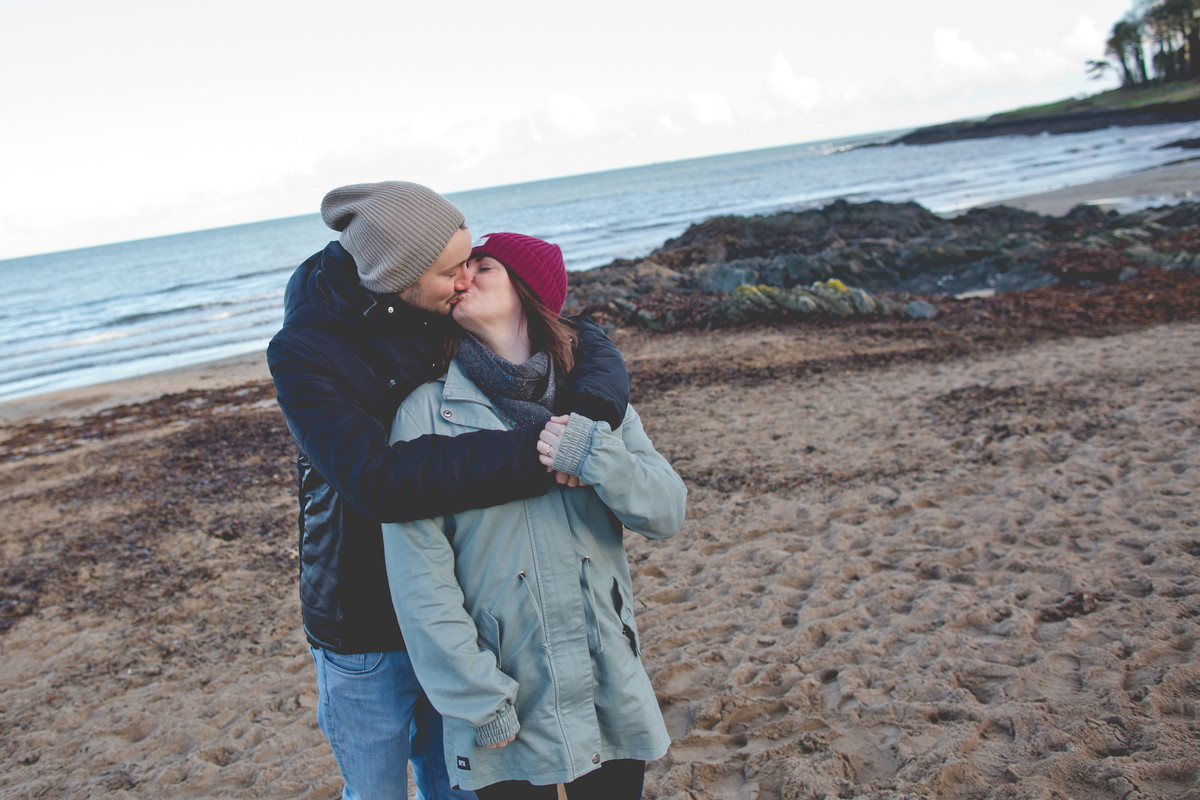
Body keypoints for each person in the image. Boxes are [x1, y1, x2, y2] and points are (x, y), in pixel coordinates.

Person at [266, 183, 630, 800]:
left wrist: (589, 413)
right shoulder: (304, 351)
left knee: (459, 789)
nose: (465, 279)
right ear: (393, 275)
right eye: (449, 270)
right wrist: (546, 449)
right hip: (363, 617)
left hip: (460, 609)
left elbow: (574, 336)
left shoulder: (440, 315)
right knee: (376, 791)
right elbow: (376, 482)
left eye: (469, 260)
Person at [380, 232, 687, 798]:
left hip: (606, 676)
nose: (462, 278)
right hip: (504, 696)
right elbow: (419, 579)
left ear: (527, 292)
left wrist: (596, 454)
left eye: (483, 267)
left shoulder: (596, 403)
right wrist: (477, 697)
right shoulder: (425, 412)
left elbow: (666, 512)